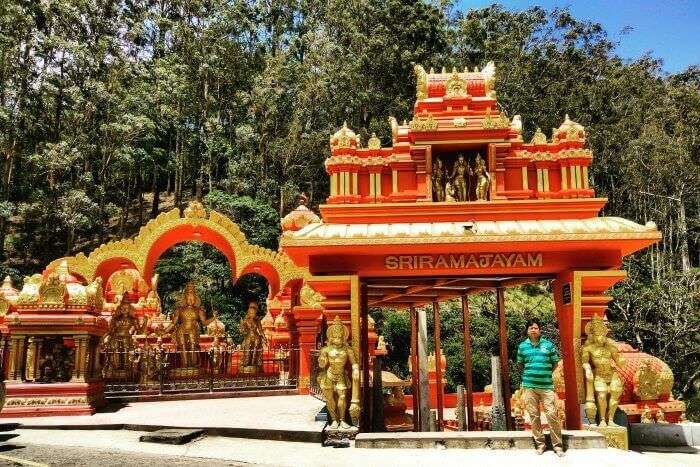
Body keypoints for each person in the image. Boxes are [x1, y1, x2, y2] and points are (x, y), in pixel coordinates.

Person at [516, 318, 564, 457]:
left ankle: (558, 446)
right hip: (529, 386)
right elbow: (520, 365)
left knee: (552, 414)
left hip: (546, 386)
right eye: (531, 327)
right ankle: (540, 445)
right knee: (534, 416)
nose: (533, 330)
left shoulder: (548, 345)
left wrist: (544, 374)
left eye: (536, 327)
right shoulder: (522, 346)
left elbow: (555, 363)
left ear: (540, 330)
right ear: (527, 331)